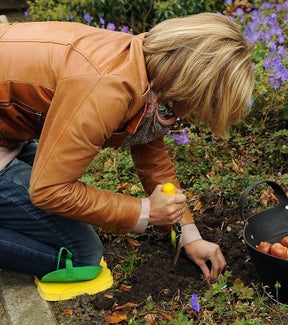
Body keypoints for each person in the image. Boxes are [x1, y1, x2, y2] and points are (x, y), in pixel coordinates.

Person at [0, 13, 254, 280]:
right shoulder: (108, 87)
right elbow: (49, 190)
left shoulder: (143, 66)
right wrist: (144, 210)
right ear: (192, 82)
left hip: (7, 134)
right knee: (81, 254)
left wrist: (188, 235)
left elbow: (150, 153)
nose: (193, 115)